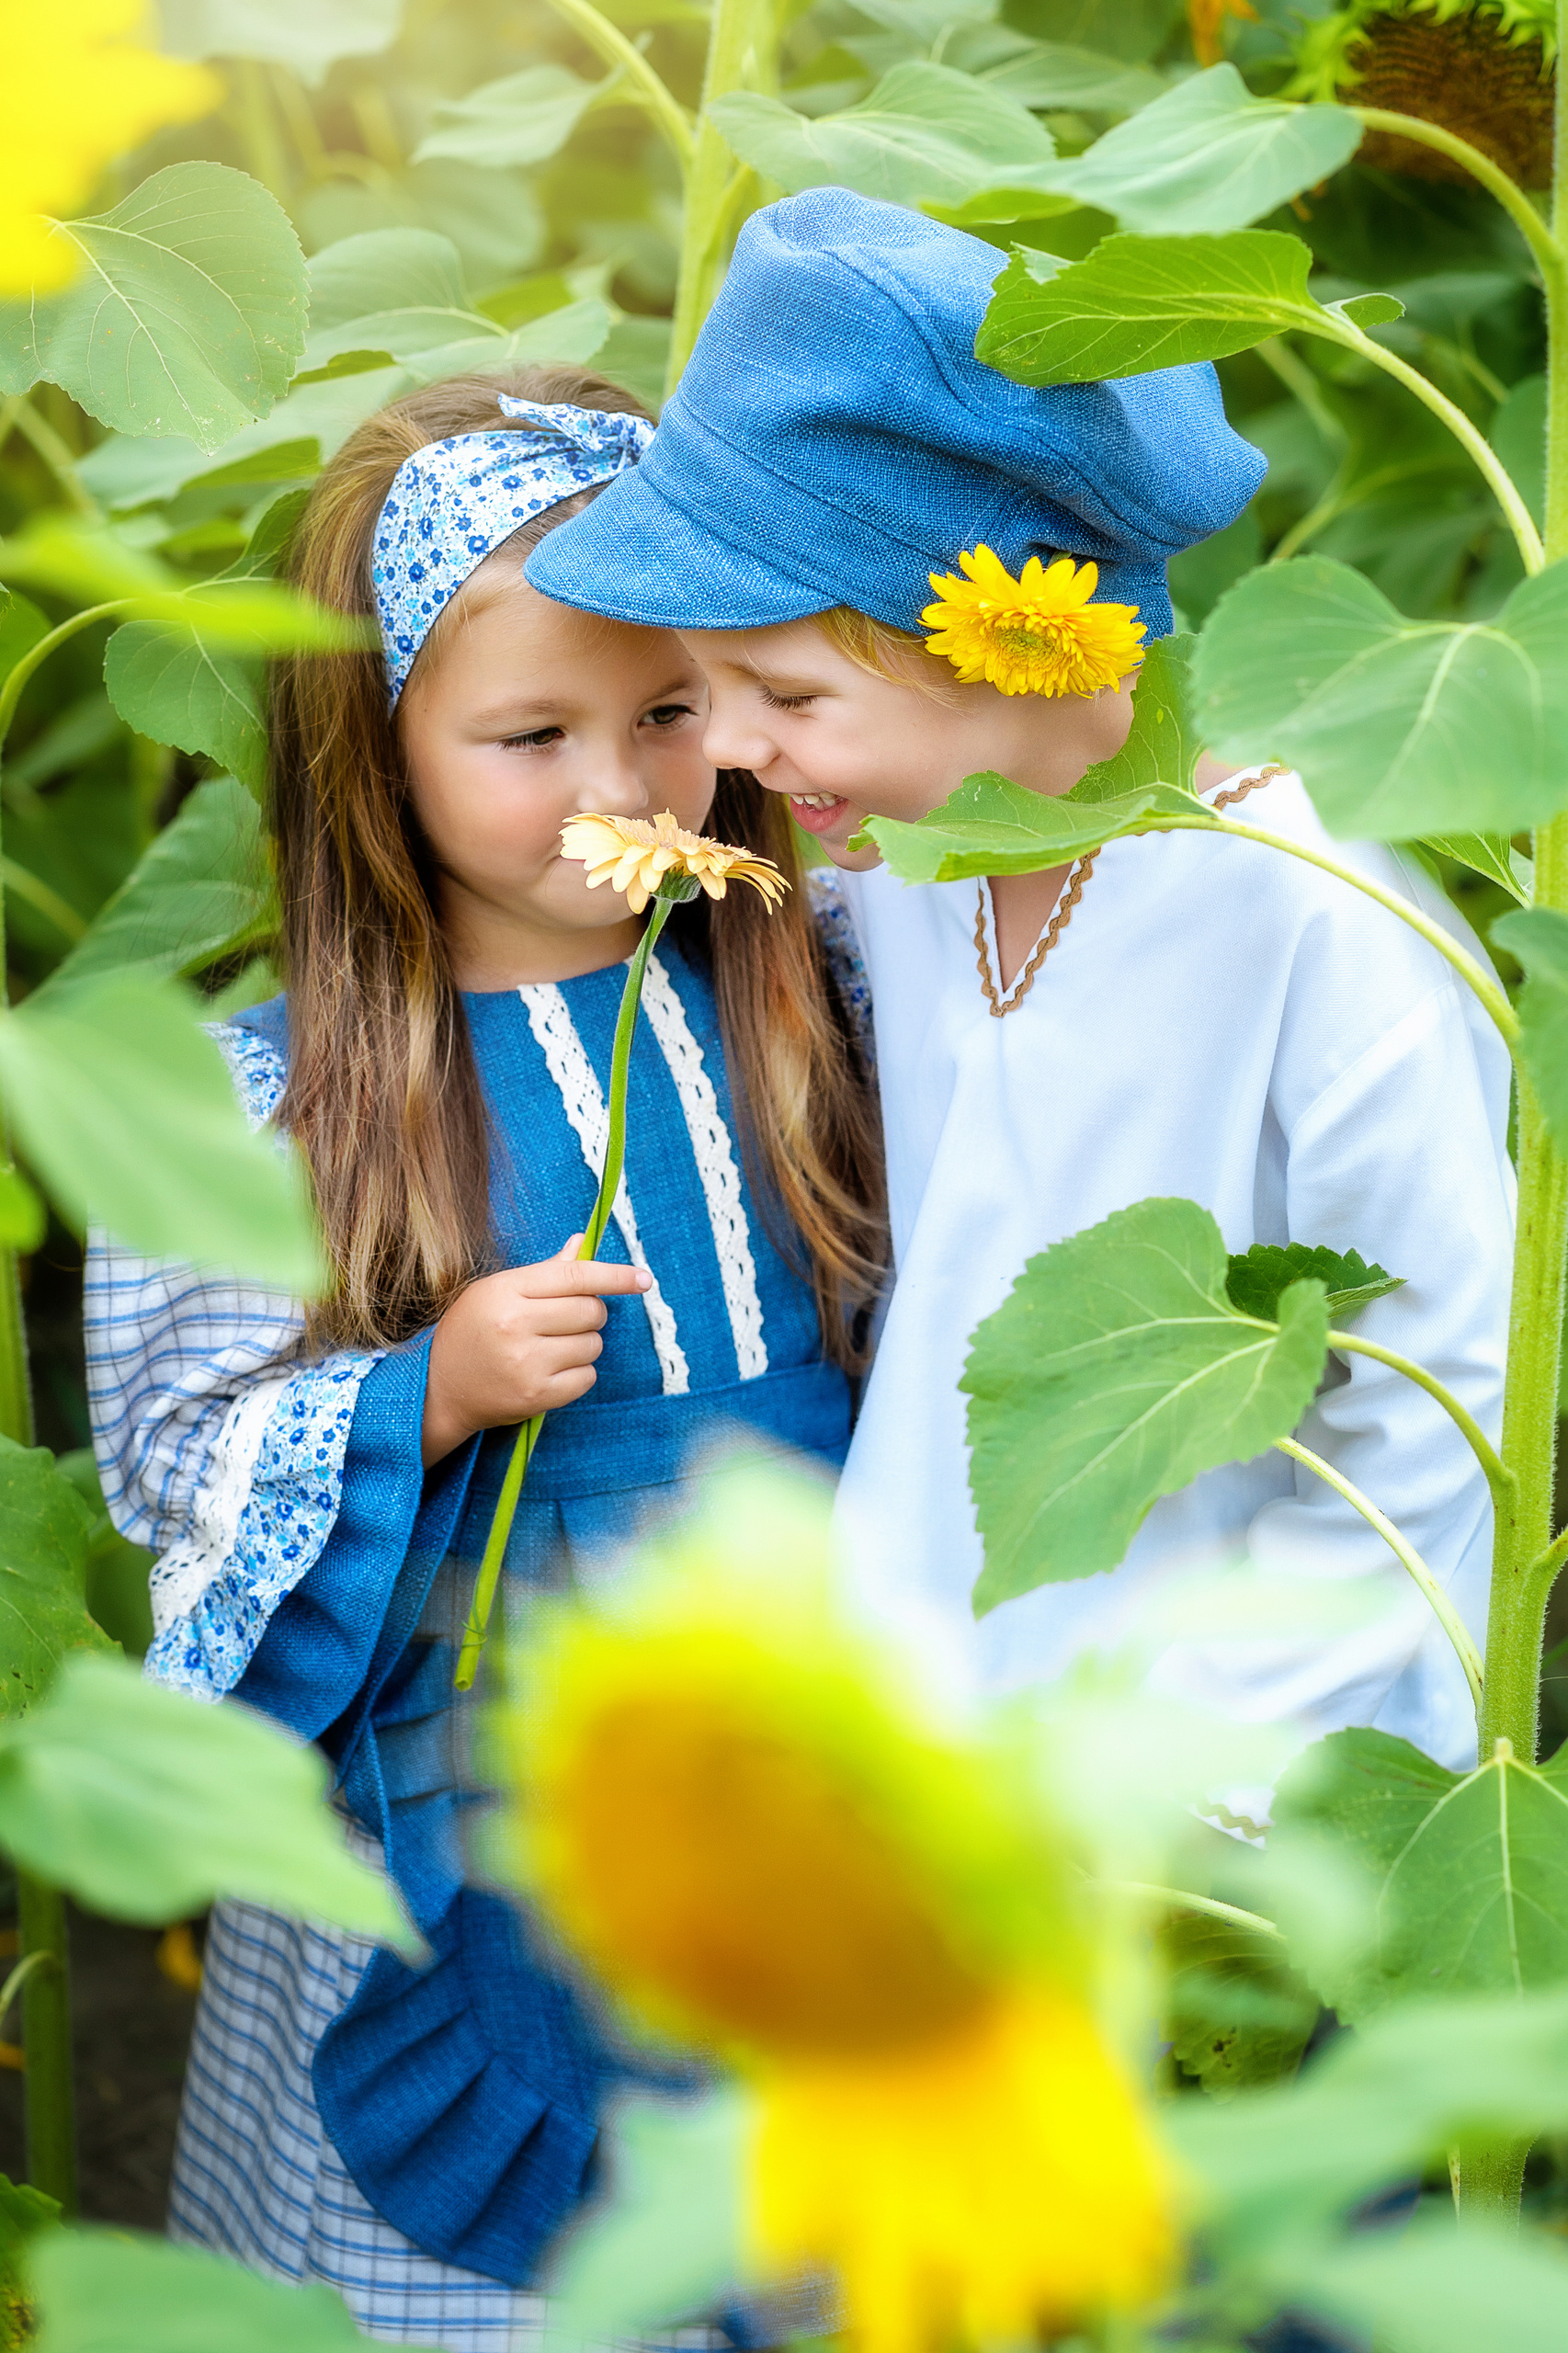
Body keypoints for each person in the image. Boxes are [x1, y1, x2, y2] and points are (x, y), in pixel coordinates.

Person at [85, 362, 884, 2348]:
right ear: (379, 747)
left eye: (669, 711)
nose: (624, 790)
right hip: (473, 1751)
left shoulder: (810, 993)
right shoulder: (277, 1106)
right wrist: (417, 1393)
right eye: (533, 734)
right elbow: (174, 1466)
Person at [525, 188, 1515, 1781]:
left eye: (786, 692)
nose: (730, 748)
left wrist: (1206, 1770)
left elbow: (1436, 1400)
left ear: (999, 638)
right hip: (925, 1718)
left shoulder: (1308, 913)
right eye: (702, 689)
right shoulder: (898, 861)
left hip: (1216, 1776)